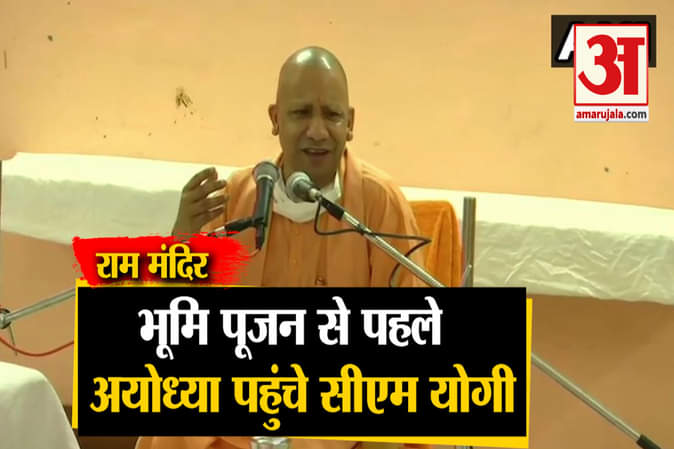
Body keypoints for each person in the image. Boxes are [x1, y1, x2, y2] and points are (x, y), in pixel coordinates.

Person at [137, 47, 429, 449]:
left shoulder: (379, 205)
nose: (317, 131)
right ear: (275, 119)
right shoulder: (236, 198)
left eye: (332, 115)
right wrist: (181, 239)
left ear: (350, 124)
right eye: (301, 113)